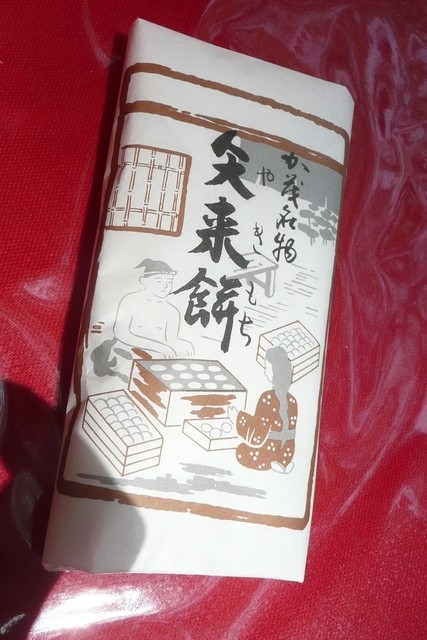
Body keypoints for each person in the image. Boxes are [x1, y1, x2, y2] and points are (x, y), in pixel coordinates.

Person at [113, 258, 194, 359]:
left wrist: (184, 344)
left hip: (156, 358)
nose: (165, 286)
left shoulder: (172, 311)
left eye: (169, 281)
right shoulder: (129, 300)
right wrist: (160, 348)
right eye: (159, 281)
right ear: (143, 281)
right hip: (125, 354)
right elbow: (121, 333)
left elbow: (171, 339)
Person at [235, 345, 297, 473]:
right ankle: (283, 463)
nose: (264, 371)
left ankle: (274, 462)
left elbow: (258, 433)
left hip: (269, 451)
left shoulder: (268, 398)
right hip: (287, 452)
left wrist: (238, 417)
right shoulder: (292, 400)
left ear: (275, 371)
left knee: (241, 451)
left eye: (266, 368)